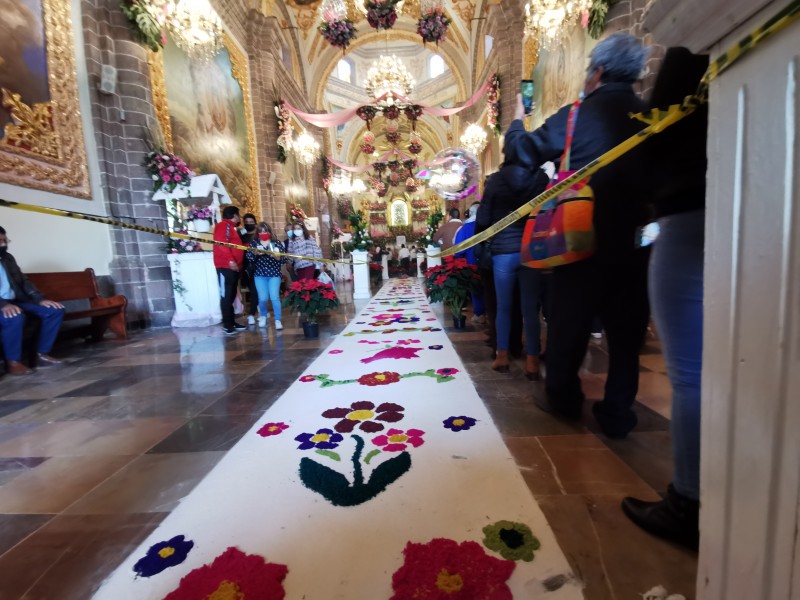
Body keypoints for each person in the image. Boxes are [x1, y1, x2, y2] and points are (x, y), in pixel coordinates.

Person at [503, 32, 652, 438]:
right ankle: (618, 412)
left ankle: (565, 399)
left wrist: (516, 121)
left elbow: (522, 152)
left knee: (570, 323)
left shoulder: (574, 116)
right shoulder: (651, 114)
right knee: (625, 333)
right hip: (635, 241)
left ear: (597, 72)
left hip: (577, 235)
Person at [621, 48, 709, 551]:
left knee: (692, 374)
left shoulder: (691, 49)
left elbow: (655, 145)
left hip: (689, 212)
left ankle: (689, 502)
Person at [476, 153, 549, 379]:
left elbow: (484, 217)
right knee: (530, 309)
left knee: (504, 307)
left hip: (503, 251)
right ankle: (532, 361)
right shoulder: (539, 178)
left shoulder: (497, 180)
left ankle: (503, 356)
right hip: (531, 249)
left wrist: (480, 245)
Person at [0, 226, 65, 375]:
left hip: (16, 300)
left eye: (5, 240)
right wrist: (2, 305)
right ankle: (13, 362)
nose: (4, 245)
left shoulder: (8, 258)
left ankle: (41, 354)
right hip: (3, 304)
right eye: (0, 241)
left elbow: (23, 281)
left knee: (55, 310)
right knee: (14, 316)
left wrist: (39, 299)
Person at [245, 222, 286, 331]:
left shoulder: (276, 243)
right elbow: (248, 257)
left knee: (274, 297)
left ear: (269, 231)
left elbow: (284, 259)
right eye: (261, 231)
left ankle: (278, 320)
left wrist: (277, 257)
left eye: (265, 231)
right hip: (260, 274)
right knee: (262, 298)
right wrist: (255, 254)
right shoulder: (254, 243)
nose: (263, 233)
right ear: (258, 233)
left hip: (274, 274)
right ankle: (263, 315)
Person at [213, 205, 246, 334]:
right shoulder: (223, 226)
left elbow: (236, 246)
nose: (239, 217)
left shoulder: (232, 228)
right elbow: (222, 244)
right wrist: (230, 260)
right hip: (225, 266)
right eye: (239, 215)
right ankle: (227, 324)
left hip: (234, 268)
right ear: (235, 215)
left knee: (231, 294)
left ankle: (232, 322)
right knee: (226, 295)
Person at [454, 202, 486, 323]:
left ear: (470, 213)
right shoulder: (489, 225)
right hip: (489, 262)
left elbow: (458, 250)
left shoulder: (465, 228)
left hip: (472, 263)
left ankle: (480, 314)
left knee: (476, 289)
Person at [239, 213, 259, 325]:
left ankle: (252, 313)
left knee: (254, 290)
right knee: (251, 289)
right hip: (245, 265)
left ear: (255, 223)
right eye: (246, 222)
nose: (249, 224)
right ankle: (253, 311)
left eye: (251, 222)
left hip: (257, 265)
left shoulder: (257, 235)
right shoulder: (241, 234)